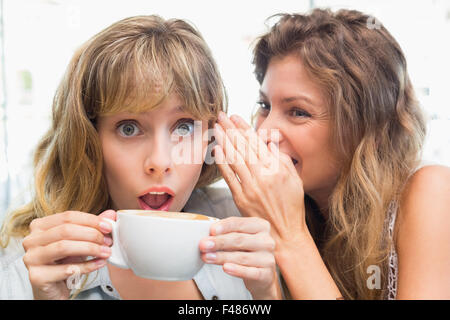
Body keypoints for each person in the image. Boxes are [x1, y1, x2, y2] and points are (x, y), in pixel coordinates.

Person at [0, 15, 279, 300]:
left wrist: (267, 296)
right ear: (89, 140)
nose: (159, 162)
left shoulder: (244, 231)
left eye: (183, 126)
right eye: (129, 128)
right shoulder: (23, 270)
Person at [212, 8, 450, 299]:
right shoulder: (294, 210)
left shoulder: (432, 191)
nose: (264, 132)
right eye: (265, 106)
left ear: (367, 130)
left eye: (298, 112)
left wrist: (292, 237)